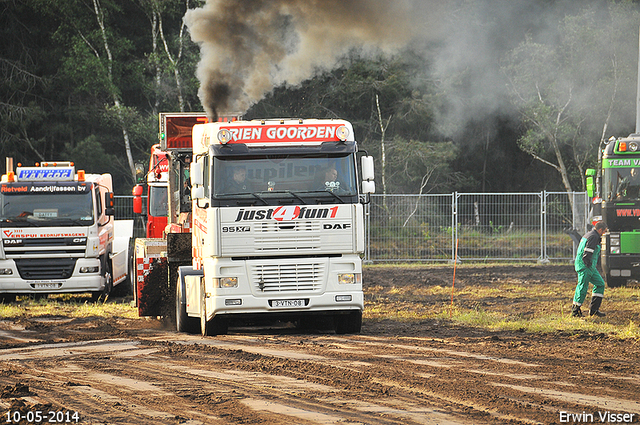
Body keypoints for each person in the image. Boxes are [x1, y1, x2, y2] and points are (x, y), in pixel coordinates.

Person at [571, 221, 608, 318]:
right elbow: (587, 253)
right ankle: (575, 310)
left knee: (600, 284)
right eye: (604, 231)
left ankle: (594, 310)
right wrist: (588, 265)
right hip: (585, 266)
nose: (604, 234)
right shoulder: (594, 237)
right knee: (582, 286)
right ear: (600, 230)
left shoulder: (589, 234)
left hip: (590, 266)